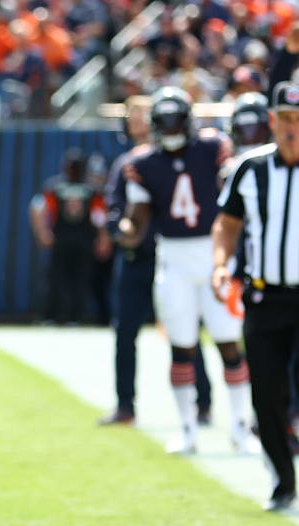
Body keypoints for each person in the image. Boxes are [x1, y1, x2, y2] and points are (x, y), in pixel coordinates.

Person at [117, 86, 257, 455]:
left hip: (213, 256)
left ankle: (241, 427)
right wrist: (127, 232)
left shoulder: (213, 149)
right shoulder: (143, 164)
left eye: (174, 119)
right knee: (182, 347)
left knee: (230, 344)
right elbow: (138, 218)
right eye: (162, 120)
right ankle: (188, 428)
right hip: (173, 258)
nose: (169, 126)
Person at [99, 96, 213, 426]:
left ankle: (203, 401)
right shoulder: (128, 164)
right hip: (137, 258)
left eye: (142, 115)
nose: (137, 121)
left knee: (186, 328)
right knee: (126, 333)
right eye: (132, 115)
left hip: (173, 255)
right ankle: (125, 405)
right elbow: (116, 209)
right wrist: (122, 228)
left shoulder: (183, 158)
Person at [212, 80, 299, 511]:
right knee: (265, 393)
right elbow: (227, 225)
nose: (292, 129)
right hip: (264, 299)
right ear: (271, 121)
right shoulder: (251, 168)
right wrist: (220, 265)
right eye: (285, 119)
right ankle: (283, 480)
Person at [30, 148, 109, 325]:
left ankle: (74, 316)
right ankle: (53, 315)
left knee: (79, 279)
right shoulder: (56, 186)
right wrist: (42, 232)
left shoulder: (90, 189)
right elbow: (37, 208)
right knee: (57, 278)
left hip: (82, 239)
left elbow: (100, 216)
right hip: (64, 238)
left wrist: (103, 238)